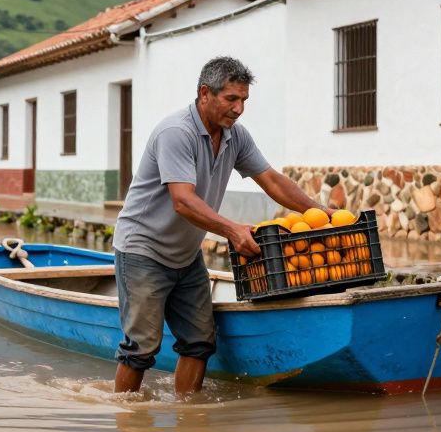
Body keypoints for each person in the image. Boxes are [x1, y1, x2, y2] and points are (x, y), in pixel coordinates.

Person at [112, 56, 324, 396]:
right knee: (141, 348)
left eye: (244, 101)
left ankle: (187, 417)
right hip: (143, 251)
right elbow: (182, 200)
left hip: (185, 255)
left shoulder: (234, 136)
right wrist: (232, 229)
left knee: (199, 341)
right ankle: (127, 420)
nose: (239, 109)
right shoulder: (176, 132)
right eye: (231, 99)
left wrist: (322, 213)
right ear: (205, 93)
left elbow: (271, 180)